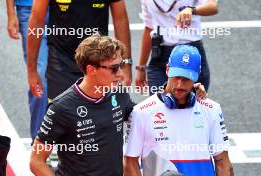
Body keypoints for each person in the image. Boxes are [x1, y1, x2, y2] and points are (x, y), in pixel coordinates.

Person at [30, 35, 207, 175]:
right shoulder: (61, 108)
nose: (121, 74)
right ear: (91, 69)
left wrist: (185, 91)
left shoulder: (119, 94)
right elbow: (36, 161)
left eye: (121, 65)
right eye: (114, 68)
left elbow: (147, 114)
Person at [124, 45, 233, 176]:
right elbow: (130, 163)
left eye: (186, 78)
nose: (179, 85)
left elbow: (223, 163)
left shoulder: (212, 110)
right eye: (176, 76)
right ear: (167, 69)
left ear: (197, 75)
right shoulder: (141, 113)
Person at [27, 0, 132, 104]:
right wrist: (32, 70)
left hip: (100, 65)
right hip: (61, 64)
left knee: (101, 117)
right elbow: (36, 19)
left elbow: (120, 19)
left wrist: (126, 65)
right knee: (61, 117)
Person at [135, 0, 218, 94]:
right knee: (158, 104)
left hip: (190, 56)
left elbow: (213, 7)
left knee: (192, 105)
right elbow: (149, 28)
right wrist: (141, 67)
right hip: (160, 57)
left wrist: (191, 10)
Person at [6, 0, 48, 141]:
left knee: (70, 74)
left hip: (63, 11)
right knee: (40, 76)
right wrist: (11, 13)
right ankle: (40, 140)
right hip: (29, 8)